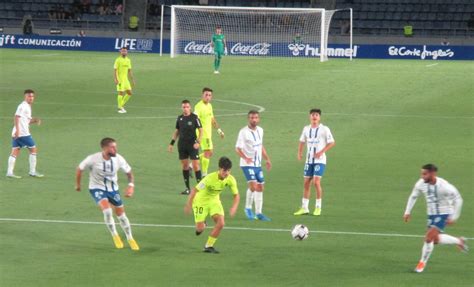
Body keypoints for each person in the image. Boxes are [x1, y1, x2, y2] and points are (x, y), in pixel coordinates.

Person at [75, 137, 139, 251]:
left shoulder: (119, 159)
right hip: (96, 188)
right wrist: (78, 185)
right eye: (112, 147)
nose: (115, 149)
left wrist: (131, 186)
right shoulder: (93, 159)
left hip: (113, 189)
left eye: (115, 146)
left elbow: (129, 173)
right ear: (104, 148)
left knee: (122, 216)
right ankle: (115, 235)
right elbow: (80, 169)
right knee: (107, 211)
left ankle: (130, 237)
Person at [403, 164, 468, 273]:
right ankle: (459, 241)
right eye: (421, 173)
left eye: (425, 174)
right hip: (431, 214)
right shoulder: (421, 184)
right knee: (435, 240)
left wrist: (454, 217)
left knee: (428, 238)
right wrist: (407, 212)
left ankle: (421, 263)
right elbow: (413, 196)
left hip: (444, 212)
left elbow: (458, 199)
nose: (422, 176)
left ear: (433, 173)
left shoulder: (444, 186)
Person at [184, 157, 240, 253]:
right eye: (224, 170)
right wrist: (188, 205)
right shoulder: (209, 178)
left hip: (214, 200)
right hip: (200, 201)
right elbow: (194, 190)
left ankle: (208, 246)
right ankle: (203, 224)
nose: (226, 173)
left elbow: (236, 195)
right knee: (199, 229)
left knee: (221, 223)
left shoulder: (231, 179)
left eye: (228, 171)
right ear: (219, 169)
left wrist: (234, 207)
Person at [294, 108, 335, 216]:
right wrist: (299, 153)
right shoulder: (306, 129)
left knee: (316, 182)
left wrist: (321, 152)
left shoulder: (324, 129)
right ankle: (304, 208)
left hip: (320, 161)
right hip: (309, 161)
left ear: (319, 117)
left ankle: (318, 207)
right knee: (306, 183)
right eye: (312, 115)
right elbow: (302, 141)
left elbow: (331, 142)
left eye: (316, 115)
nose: (314, 116)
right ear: (310, 116)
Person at [235, 110, 272, 221]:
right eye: (251, 118)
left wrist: (267, 159)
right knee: (253, 186)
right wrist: (245, 158)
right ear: (248, 119)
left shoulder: (260, 130)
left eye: (256, 117)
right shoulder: (243, 132)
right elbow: (237, 148)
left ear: (258, 119)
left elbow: (260, 146)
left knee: (260, 187)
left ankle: (259, 213)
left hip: (257, 164)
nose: (254, 119)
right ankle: (248, 208)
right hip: (247, 164)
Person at [168, 100, 203, 195]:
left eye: (187, 107)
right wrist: (171, 143)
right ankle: (187, 189)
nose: (185, 108)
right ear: (181, 108)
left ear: (190, 107)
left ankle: (200, 188)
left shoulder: (194, 118)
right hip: (182, 145)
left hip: (193, 145)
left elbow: (201, 130)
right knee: (185, 166)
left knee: (196, 165)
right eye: (184, 107)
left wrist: (198, 142)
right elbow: (176, 131)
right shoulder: (179, 118)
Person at [6, 89, 43, 179]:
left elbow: (25, 121)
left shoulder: (27, 106)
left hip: (18, 133)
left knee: (15, 151)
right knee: (33, 150)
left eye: (32, 96)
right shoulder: (23, 106)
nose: (31, 98)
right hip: (22, 133)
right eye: (29, 96)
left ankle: (9, 172)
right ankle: (32, 172)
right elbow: (16, 117)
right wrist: (18, 131)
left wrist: (34, 120)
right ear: (25, 96)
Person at [194, 87, 224, 177]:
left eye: (209, 95)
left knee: (210, 152)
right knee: (208, 152)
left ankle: (193, 163)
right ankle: (204, 174)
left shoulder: (209, 106)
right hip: (202, 133)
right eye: (206, 95)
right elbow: (194, 119)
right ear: (202, 95)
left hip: (208, 133)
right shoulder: (198, 106)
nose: (207, 97)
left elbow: (212, 120)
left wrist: (219, 130)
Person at [114, 47, 135, 113]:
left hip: (126, 80)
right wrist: (115, 79)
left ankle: (121, 105)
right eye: (123, 51)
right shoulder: (118, 60)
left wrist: (132, 79)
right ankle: (120, 108)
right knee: (121, 93)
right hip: (120, 79)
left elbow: (129, 70)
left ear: (127, 52)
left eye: (125, 51)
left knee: (129, 93)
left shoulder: (128, 60)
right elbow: (115, 70)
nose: (124, 52)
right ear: (120, 52)